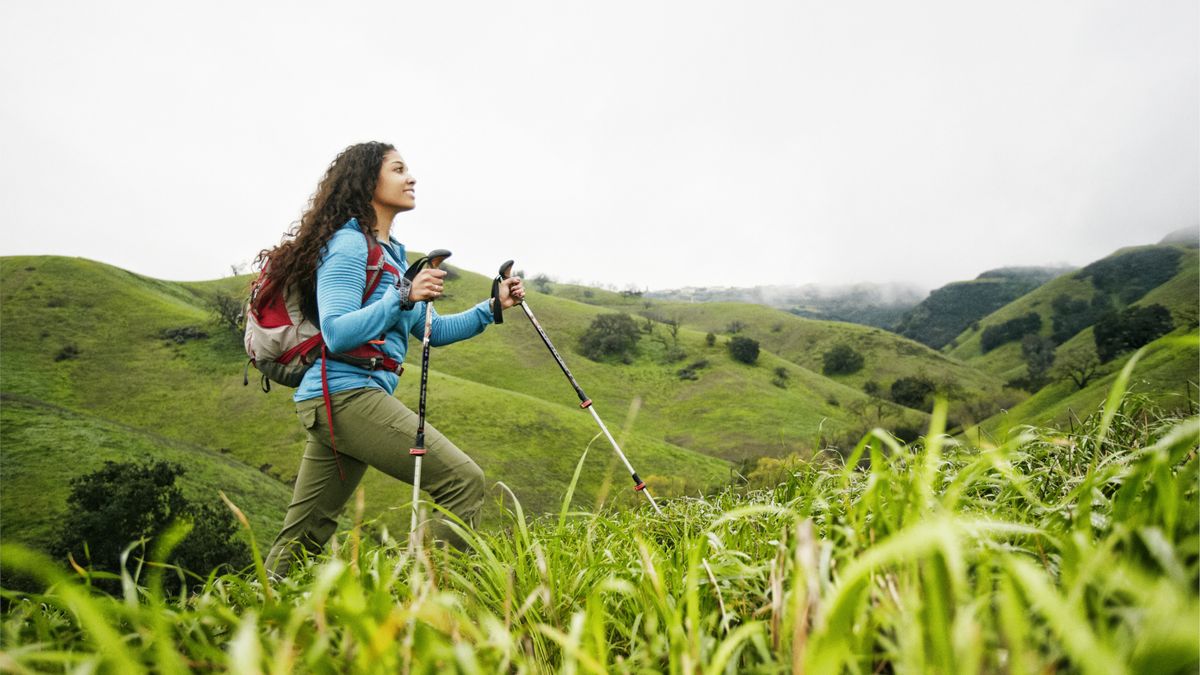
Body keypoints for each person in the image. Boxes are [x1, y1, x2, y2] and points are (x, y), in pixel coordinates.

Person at [260, 141, 524, 575]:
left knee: (307, 531)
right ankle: (413, 600)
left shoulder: (391, 254)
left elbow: (430, 330)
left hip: (338, 399)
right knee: (463, 481)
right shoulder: (348, 245)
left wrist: (492, 307)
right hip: (344, 395)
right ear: (368, 181)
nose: (411, 177)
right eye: (399, 169)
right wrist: (401, 296)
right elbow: (337, 331)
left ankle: (252, 620)